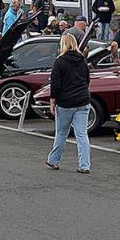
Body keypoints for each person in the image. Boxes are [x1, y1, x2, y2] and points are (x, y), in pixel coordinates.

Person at [46, 33, 91, 174]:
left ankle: (54, 160)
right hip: (82, 100)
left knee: (61, 133)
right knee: (82, 135)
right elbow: (87, 79)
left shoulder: (60, 61)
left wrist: (52, 101)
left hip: (65, 102)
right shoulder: (82, 60)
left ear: (63, 45)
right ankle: (84, 165)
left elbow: (55, 84)